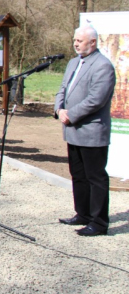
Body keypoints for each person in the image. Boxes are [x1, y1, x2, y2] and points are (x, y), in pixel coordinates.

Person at [54, 25, 115, 237]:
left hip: (91, 131)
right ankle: (83, 213)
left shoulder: (103, 66)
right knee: (78, 174)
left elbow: (96, 100)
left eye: (80, 40)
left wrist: (71, 113)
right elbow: (63, 89)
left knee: (95, 177)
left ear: (93, 42)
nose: (75, 43)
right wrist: (59, 109)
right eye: (74, 40)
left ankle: (98, 222)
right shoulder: (72, 63)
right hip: (72, 130)